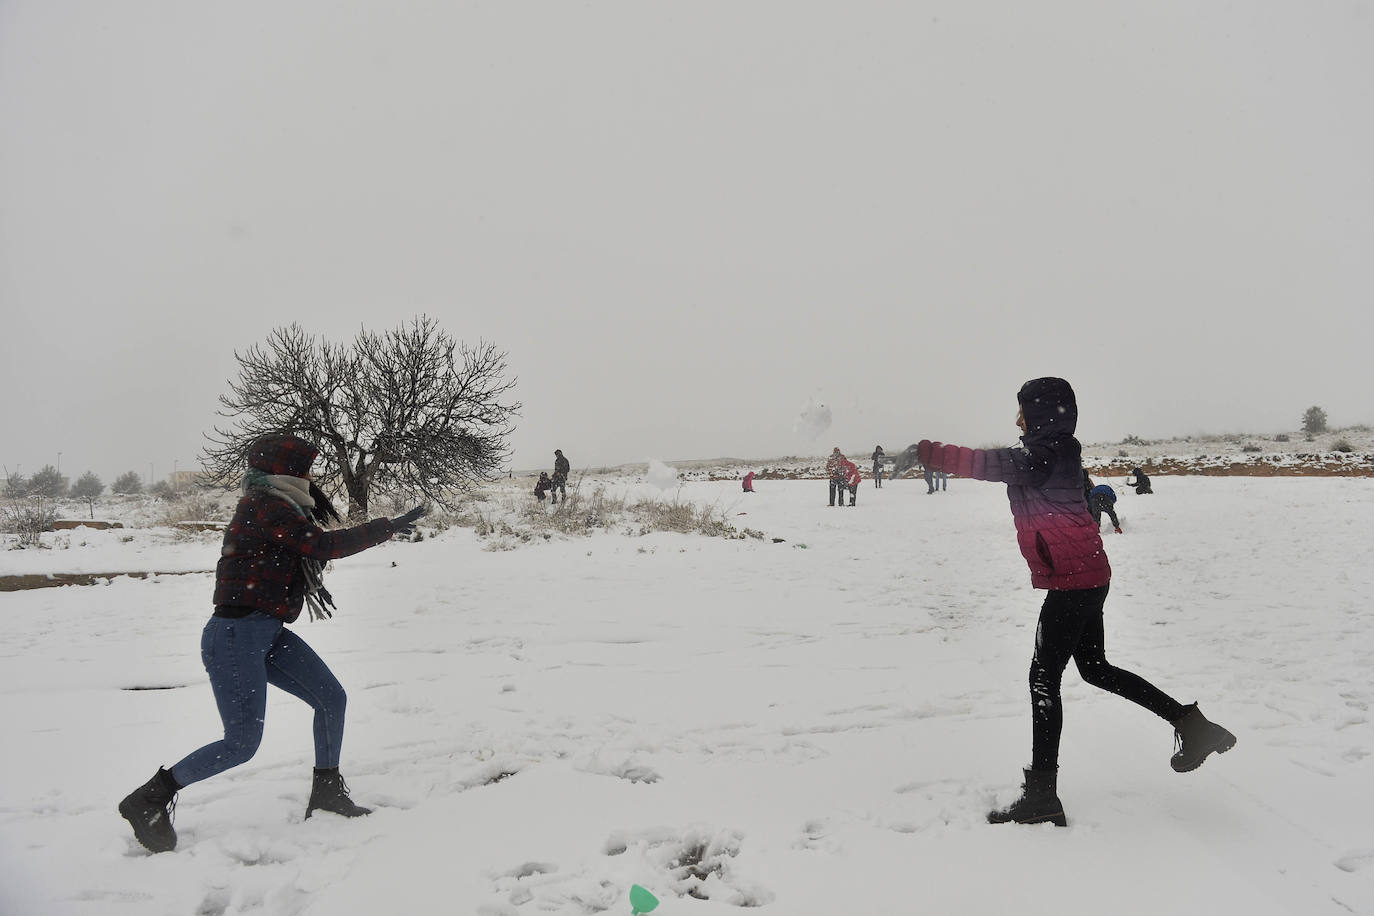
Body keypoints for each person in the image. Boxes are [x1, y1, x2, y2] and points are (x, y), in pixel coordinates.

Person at [917, 377, 1235, 827]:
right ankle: (1193, 726)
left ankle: (1042, 795)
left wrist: (929, 453)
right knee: (1095, 668)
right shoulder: (1056, 450)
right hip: (1086, 573)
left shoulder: (1044, 454)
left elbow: (989, 463)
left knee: (1043, 680)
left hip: (1073, 581)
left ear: (1042, 413)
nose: (1018, 418)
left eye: (1024, 410)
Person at [118, 433, 426, 854]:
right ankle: (151, 796)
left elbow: (310, 544)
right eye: (305, 469)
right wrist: (384, 528)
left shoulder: (280, 504)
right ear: (286, 471)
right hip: (235, 636)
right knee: (241, 743)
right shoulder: (263, 506)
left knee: (330, 698)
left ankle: (327, 794)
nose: (310, 476)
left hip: (266, 631)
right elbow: (319, 545)